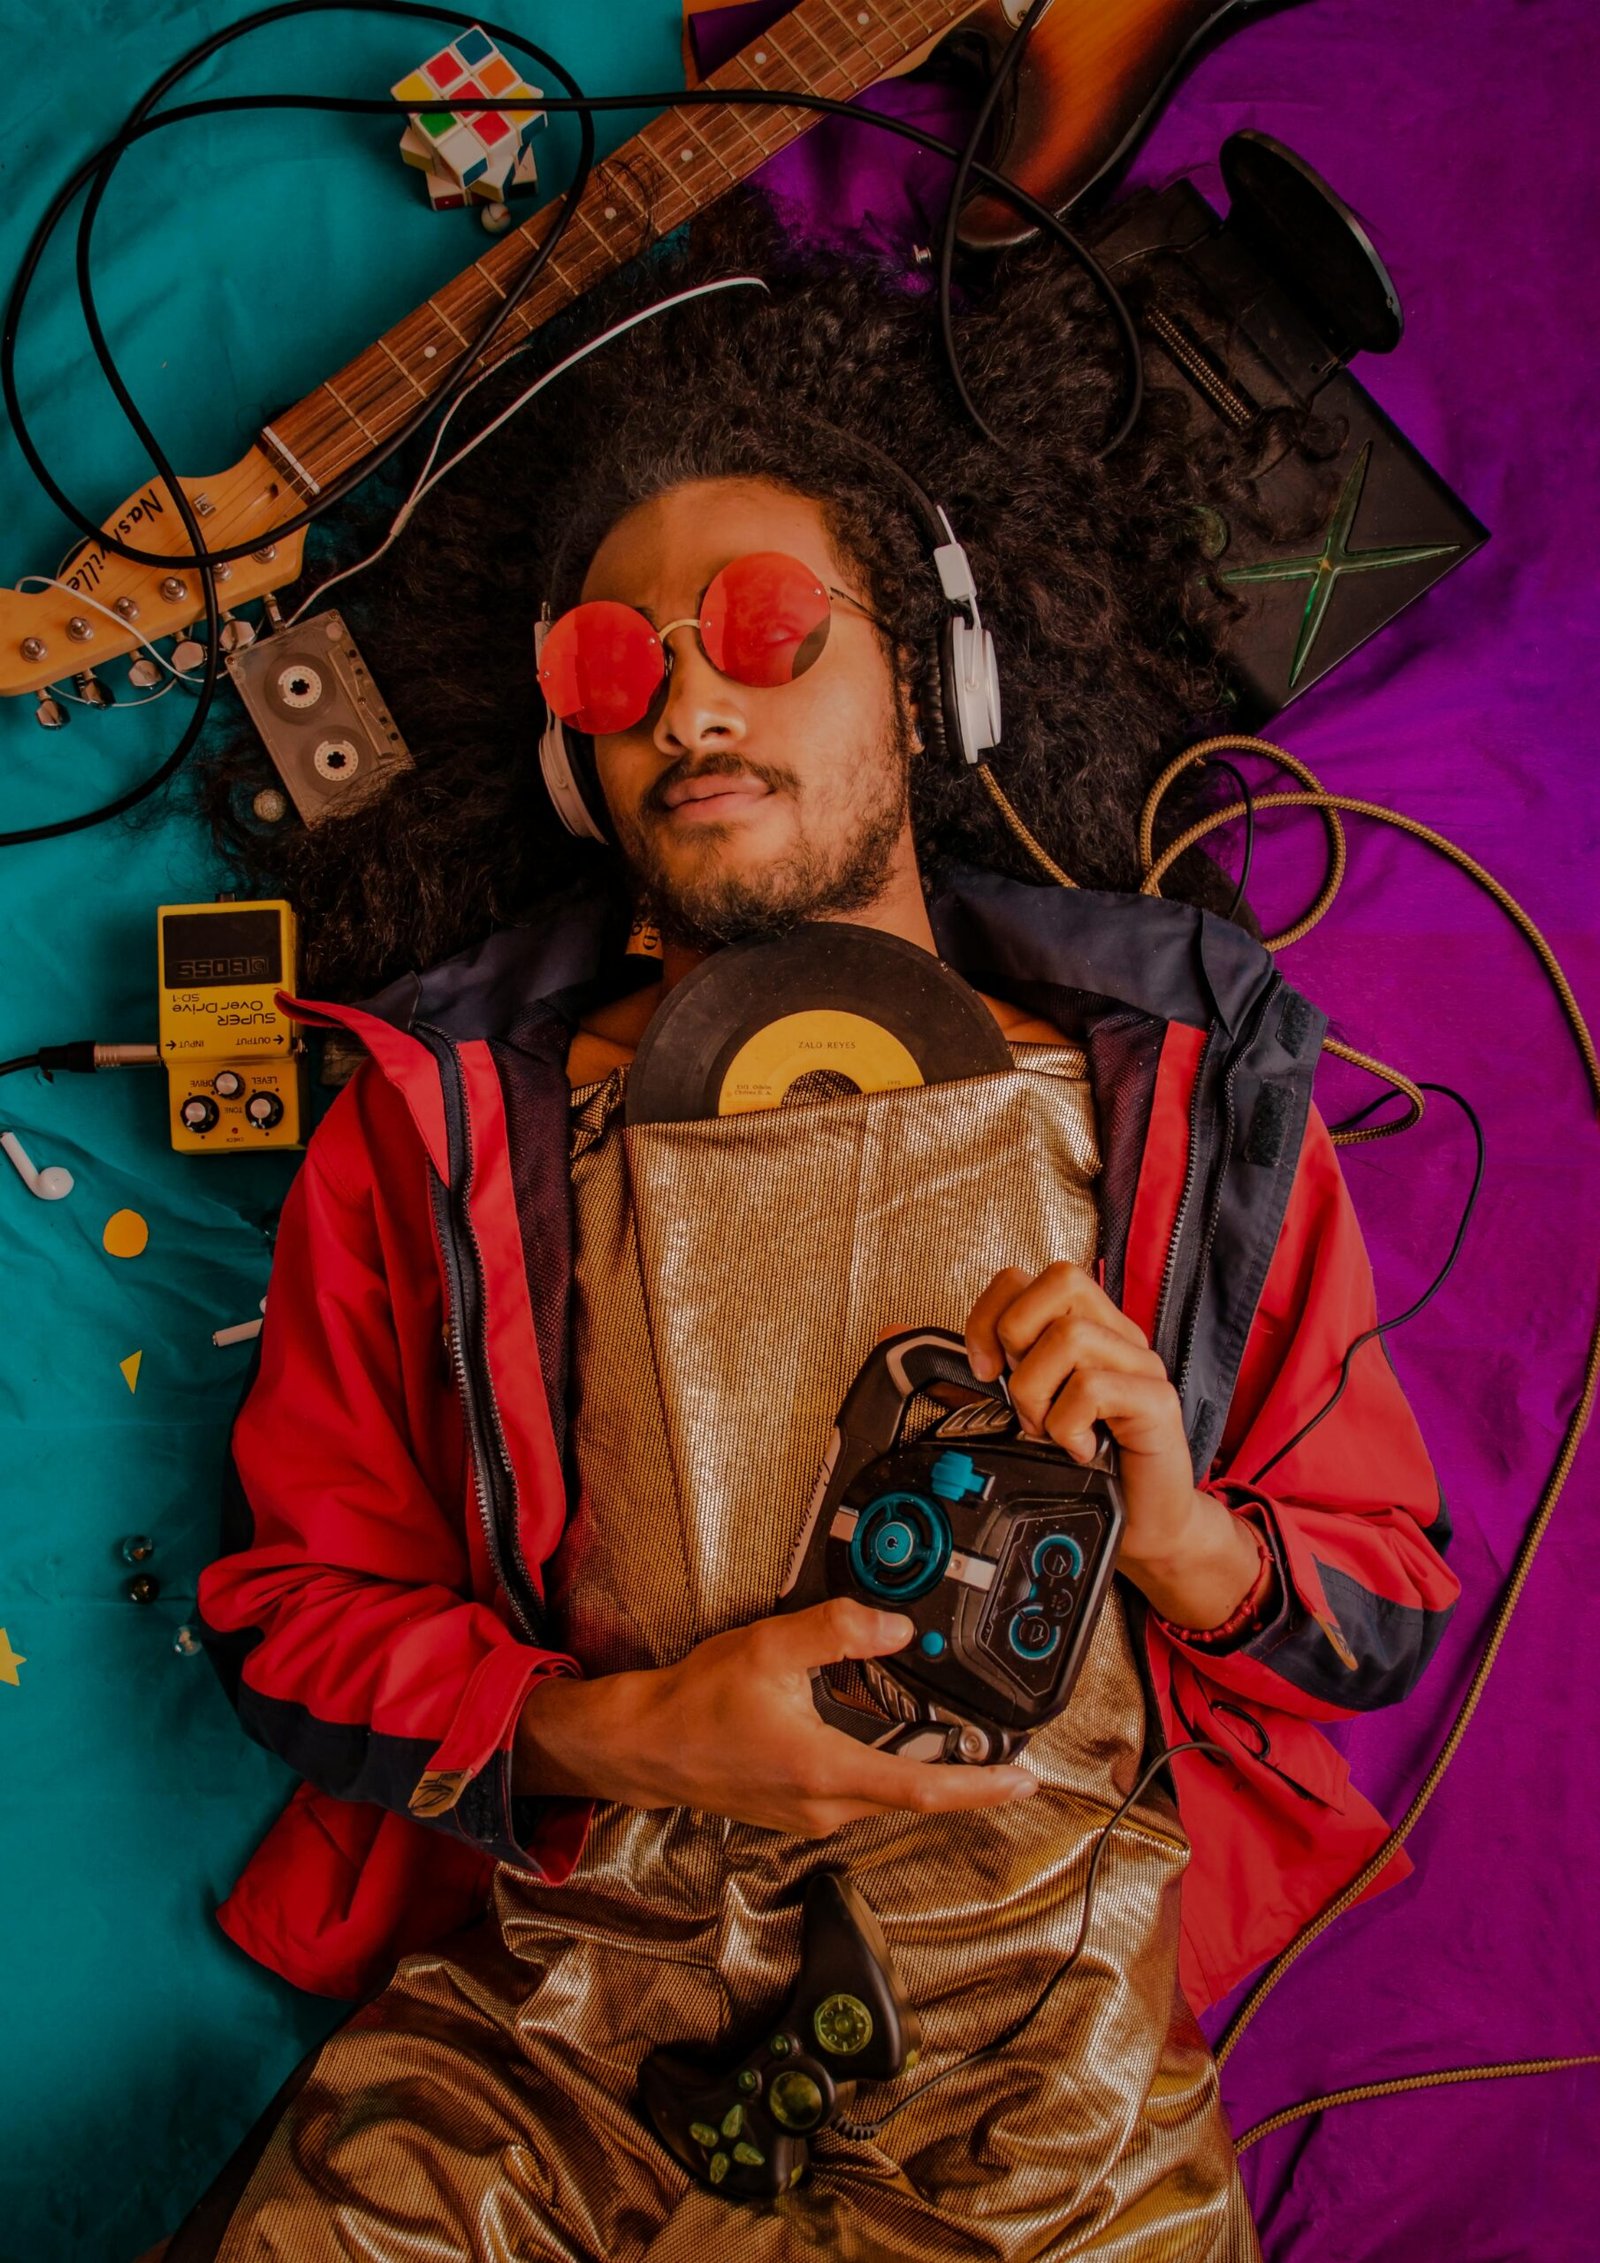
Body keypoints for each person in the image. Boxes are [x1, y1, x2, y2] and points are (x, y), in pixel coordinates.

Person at [163, 196, 1459, 2260]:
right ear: (573, 760)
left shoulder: (1183, 1090)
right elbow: (290, 1612)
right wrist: (609, 1728)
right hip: (552, 2047)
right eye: (616, 664)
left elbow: (1377, 1602)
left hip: (1049, 2074)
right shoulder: (430, 1133)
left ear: (926, 674)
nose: (687, 704)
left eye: (765, 627)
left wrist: (1191, 1534)